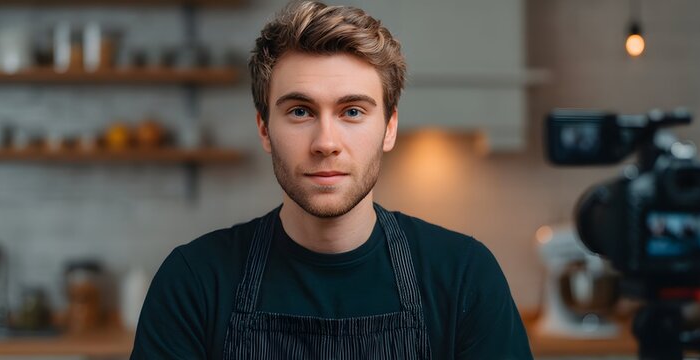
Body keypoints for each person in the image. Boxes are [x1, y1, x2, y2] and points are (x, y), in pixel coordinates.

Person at [131, 1, 533, 359]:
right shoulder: (194, 282)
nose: (326, 143)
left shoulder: (463, 276)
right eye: (301, 112)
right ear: (265, 129)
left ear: (389, 128)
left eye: (353, 112)